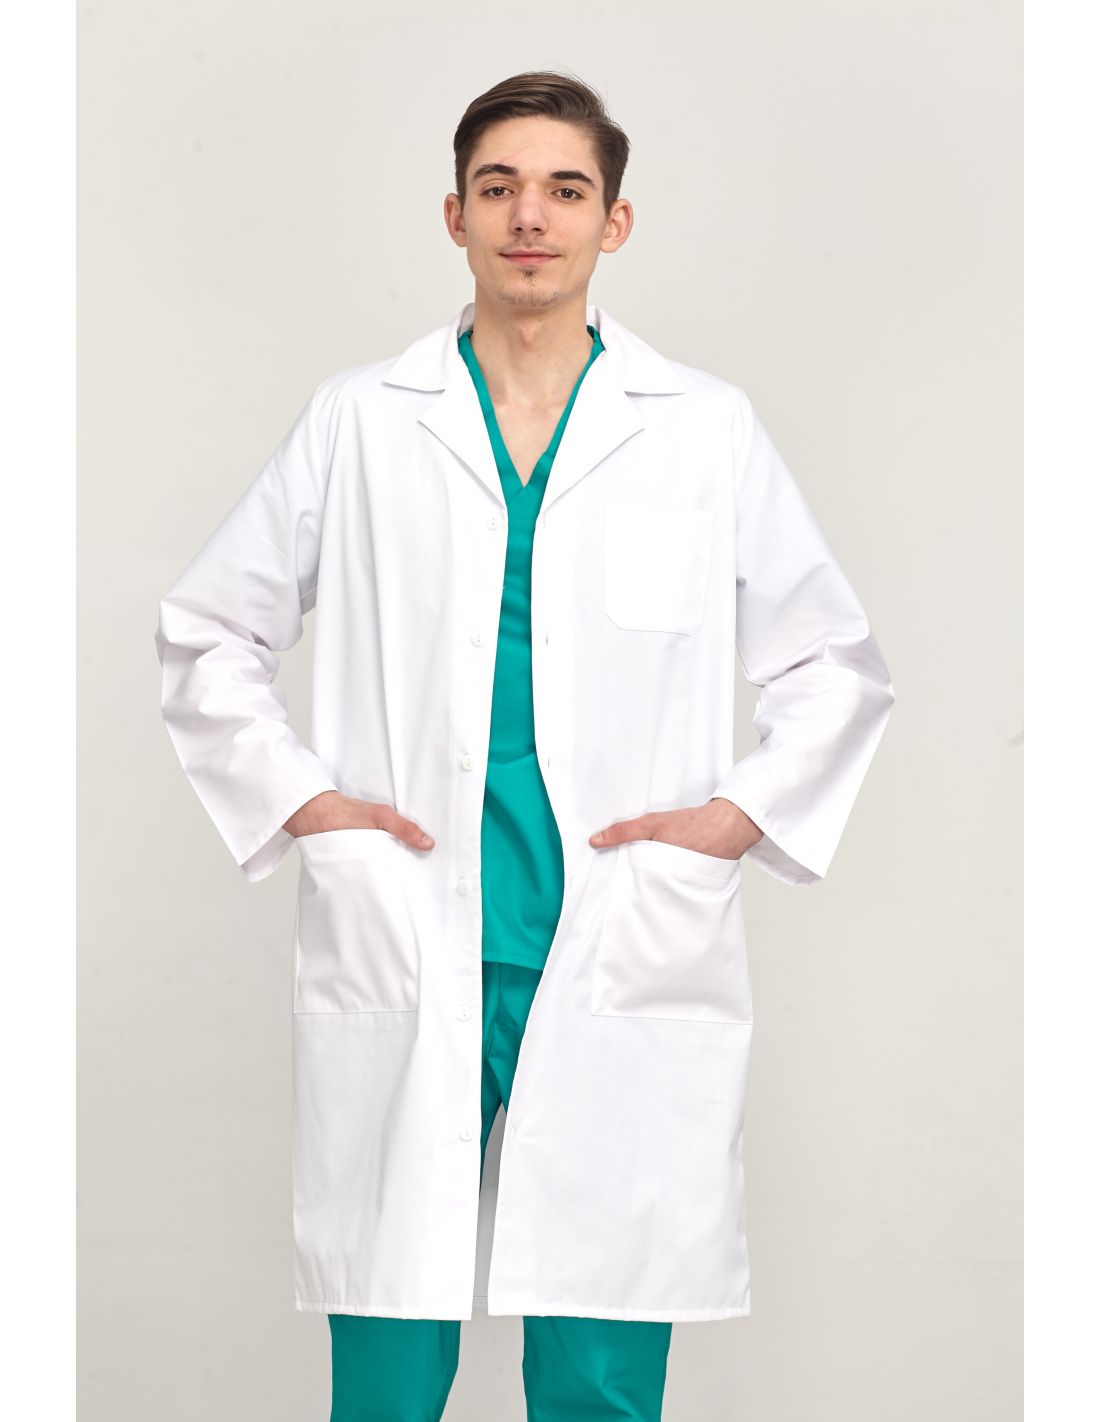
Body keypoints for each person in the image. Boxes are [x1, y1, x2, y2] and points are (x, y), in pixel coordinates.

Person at [155, 69, 895, 1422]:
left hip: (618, 931)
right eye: (498, 188)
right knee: (389, 1369)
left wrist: (732, 820)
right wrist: (305, 801)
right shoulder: (363, 418)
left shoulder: (701, 428)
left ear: (616, 222)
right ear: (455, 215)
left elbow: (832, 663)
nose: (529, 218)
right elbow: (209, 630)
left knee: (599, 1369)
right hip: (409, 923)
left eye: (565, 189)